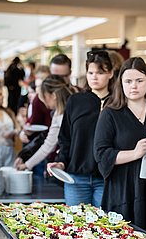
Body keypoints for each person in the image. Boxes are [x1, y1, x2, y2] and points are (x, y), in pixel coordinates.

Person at [94, 57, 146, 232]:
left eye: (139, 81)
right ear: (121, 83)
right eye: (128, 81)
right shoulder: (111, 112)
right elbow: (101, 154)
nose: (133, 86)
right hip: (123, 188)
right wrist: (135, 153)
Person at [47, 51, 115, 207]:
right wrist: (61, 163)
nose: (94, 77)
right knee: (76, 227)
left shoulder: (118, 103)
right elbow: (65, 138)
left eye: (100, 72)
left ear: (111, 73)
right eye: (90, 72)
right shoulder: (76, 100)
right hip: (75, 178)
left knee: (103, 228)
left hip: (106, 179)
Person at [16, 75, 75, 173]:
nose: (43, 102)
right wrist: (27, 165)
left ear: (54, 96)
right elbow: (48, 145)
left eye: (45, 97)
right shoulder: (57, 115)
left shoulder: (73, 111)